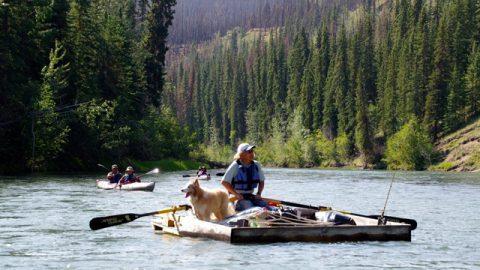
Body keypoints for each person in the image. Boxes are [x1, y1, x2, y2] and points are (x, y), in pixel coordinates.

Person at [221, 143, 268, 211]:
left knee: (265, 206)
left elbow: (261, 181)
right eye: (249, 151)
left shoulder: (256, 165)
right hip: (236, 198)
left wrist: (259, 193)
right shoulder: (235, 165)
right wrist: (236, 194)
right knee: (251, 208)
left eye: (252, 151)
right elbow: (224, 182)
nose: (252, 153)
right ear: (242, 154)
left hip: (250, 196)